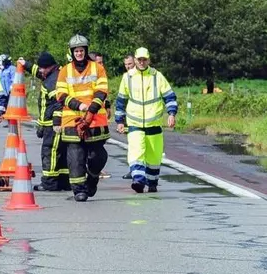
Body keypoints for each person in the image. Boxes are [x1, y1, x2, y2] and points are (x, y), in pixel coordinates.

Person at [54, 34, 110, 202]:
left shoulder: (97, 68)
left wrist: (91, 109)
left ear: (86, 51)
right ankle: (79, 190)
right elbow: (61, 95)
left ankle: (92, 178)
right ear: (72, 52)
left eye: (81, 50)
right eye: (76, 51)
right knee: (75, 156)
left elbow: (102, 91)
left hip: (95, 120)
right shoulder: (65, 70)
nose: (79, 53)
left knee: (97, 155)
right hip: (72, 120)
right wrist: (79, 106)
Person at [114, 47, 178, 193]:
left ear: (148, 60)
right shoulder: (128, 77)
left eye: (144, 59)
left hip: (154, 123)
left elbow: (169, 96)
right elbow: (121, 101)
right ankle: (138, 180)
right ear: (135, 60)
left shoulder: (157, 76)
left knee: (154, 157)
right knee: (136, 152)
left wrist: (171, 114)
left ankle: (152, 182)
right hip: (134, 124)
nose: (142, 62)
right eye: (139, 60)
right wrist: (119, 121)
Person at [32, 52, 69, 192]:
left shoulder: (52, 81)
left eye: (42, 68)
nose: (40, 71)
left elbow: (59, 102)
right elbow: (37, 72)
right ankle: (64, 182)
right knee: (62, 152)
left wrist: (55, 122)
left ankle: (49, 182)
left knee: (50, 151)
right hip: (55, 123)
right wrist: (25, 65)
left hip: (53, 125)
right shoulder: (54, 75)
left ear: (48, 67)